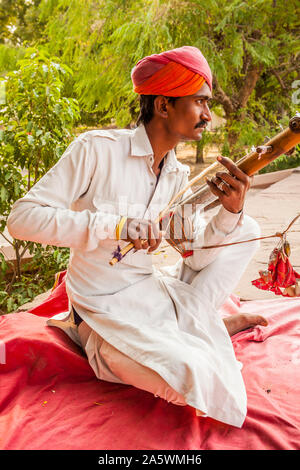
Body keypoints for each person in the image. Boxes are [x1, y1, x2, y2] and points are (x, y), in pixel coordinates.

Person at [7, 46, 267, 428]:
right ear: (163, 106)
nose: (208, 116)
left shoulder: (177, 174)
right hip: (102, 308)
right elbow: (21, 219)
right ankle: (174, 331)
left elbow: (192, 256)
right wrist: (115, 226)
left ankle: (202, 323)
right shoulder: (96, 150)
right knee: (191, 378)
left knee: (248, 230)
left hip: (150, 295)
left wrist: (230, 213)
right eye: (199, 103)